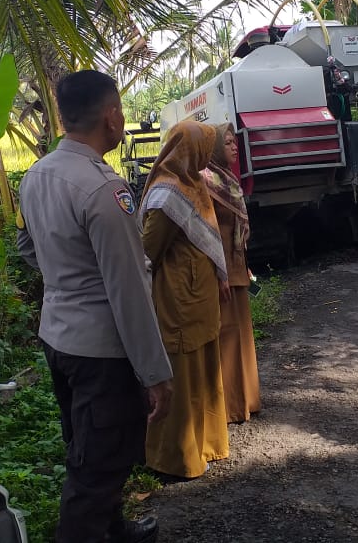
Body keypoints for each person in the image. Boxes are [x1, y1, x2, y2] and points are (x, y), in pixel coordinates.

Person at [16, 70, 172, 543]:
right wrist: (155, 373)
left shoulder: (38, 174)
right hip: (103, 352)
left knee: (85, 447)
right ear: (111, 116)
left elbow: (27, 245)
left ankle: (113, 531)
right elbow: (128, 288)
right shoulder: (105, 189)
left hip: (59, 338)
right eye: (120, 110)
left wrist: (66, 279)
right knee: (99, 464)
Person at [141, 120, 231, 479]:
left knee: (202, 370)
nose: (209, 155)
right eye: (205, 147)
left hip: (196, 296)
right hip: (180, 296)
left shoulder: (192, 183)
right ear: (189, 149)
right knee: (181, 372)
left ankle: (206, 443)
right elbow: (149, 250)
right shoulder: (167, 194)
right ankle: (177, 457)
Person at [202, 123, 261, 423]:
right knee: (227, 334)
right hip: (220, 267)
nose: (235, 147)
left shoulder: (228, 179)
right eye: (227, 143)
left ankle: (247, 400)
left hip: (236, 264)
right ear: (212, 149)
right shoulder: (205, 181)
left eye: (234, 142)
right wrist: (218, 271)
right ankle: (230, 407)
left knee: (243, 332)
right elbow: (206, 232)